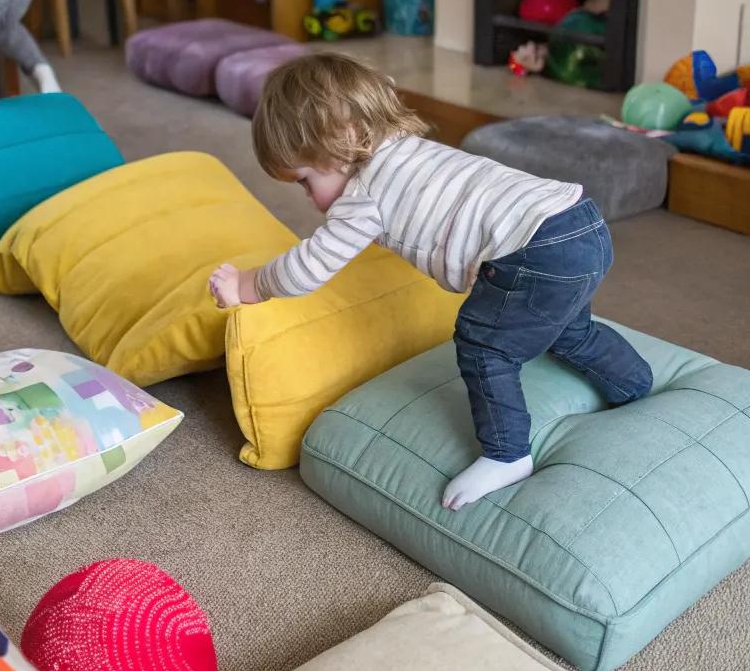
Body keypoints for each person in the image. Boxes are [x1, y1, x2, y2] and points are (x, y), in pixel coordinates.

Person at [208, 53, 652, 510]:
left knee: (484, 346)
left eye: (305, 180)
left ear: (343, 141)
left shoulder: (362, 198)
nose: (310, 199)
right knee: (570, 330)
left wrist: (249, 285)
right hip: (579, 223)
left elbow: (309, 267)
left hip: (531, 253)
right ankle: (634, 382)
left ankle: (507, 454)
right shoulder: (409, 149)